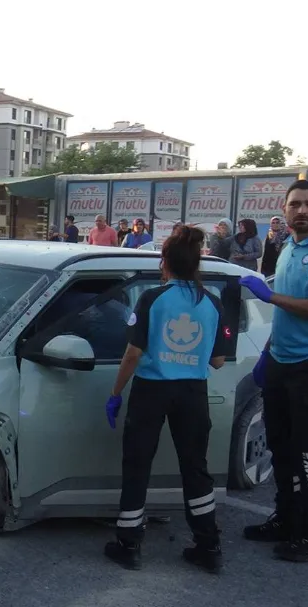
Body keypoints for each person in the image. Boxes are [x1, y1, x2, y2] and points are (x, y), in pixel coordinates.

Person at [104, 225, 228, 573]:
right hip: (192, 392)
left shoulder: (152, 299)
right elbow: (218, 361)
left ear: (165, 262)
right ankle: (209, 546)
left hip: (152, 390)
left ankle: (129, 545)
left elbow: (133, 353)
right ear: (196, 264)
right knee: (195, 468)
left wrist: (115, 393)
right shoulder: (212, 303)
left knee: (137, 464)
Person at [240, 179, 308, 562]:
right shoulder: (287, 246)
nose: (302, 210)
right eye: (295, 204)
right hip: (282, 361)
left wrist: (270, 296)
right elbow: (286, 316)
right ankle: (286, 520)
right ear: (284, 209)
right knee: (281, 446)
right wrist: (268, 352)